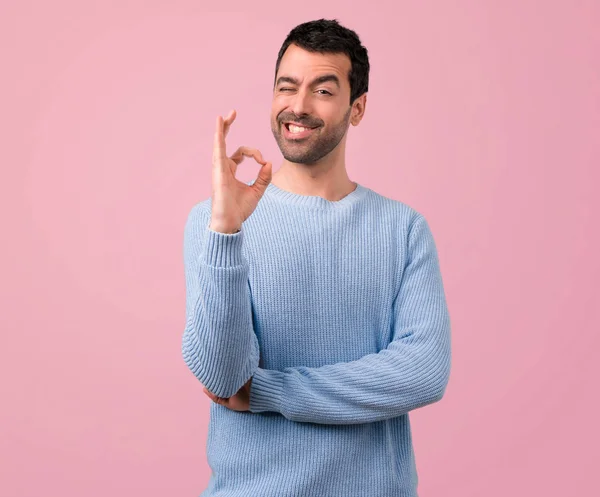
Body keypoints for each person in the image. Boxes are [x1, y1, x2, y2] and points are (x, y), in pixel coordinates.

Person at [182, 18, 451, 497]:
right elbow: (222, 377)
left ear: (357, 107)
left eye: (323, 91)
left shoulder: (402, 229)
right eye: (287, 87)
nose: (298, 107)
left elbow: (423, 371)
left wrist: (271, 391)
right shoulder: (214, 221)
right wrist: (226, 231)